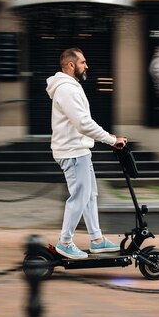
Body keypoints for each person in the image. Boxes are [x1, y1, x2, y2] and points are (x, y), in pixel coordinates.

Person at [45, 47, 127, 259]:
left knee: (90, 195)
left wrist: (108, 137)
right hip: (72, 152)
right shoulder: (67, 89)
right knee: (79, 196)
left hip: (78, 150)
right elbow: (83, 123)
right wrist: (111, 139)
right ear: (71, 65)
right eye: (83, 62)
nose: (86, 65)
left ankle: (97, 240)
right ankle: (64, 242)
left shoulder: (71, 87)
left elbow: (82, 123)